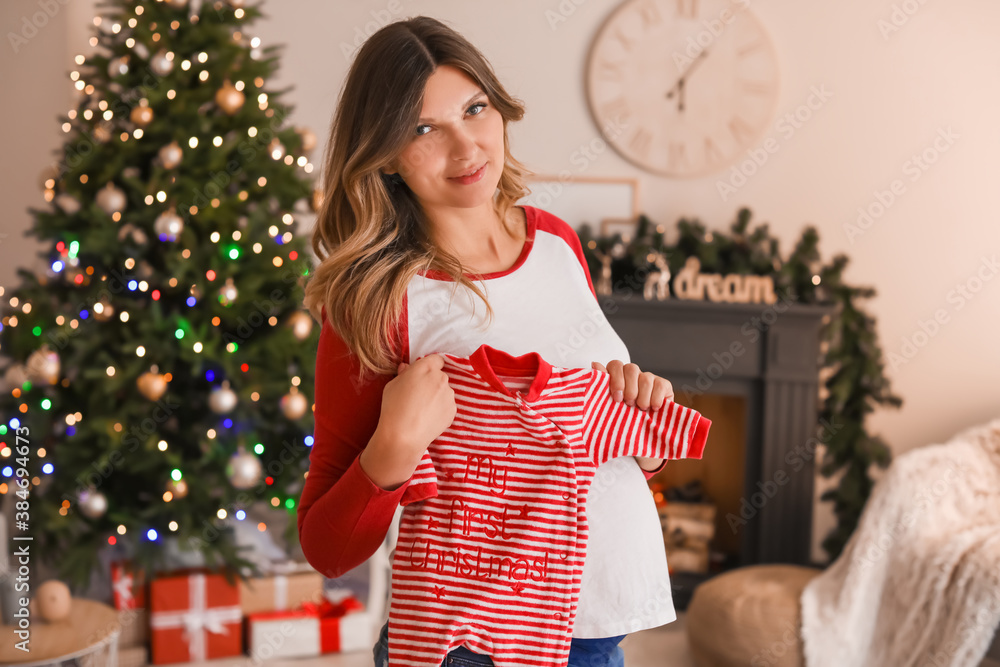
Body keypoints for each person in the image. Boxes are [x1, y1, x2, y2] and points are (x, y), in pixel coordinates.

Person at [297, 15, 679, 667]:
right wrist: (393, 446)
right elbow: (326, 547)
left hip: (600, 628)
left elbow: (568, 434)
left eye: (475, 109)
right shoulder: (379, 297)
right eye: (424, 129)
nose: (467, 146)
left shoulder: (557, 241)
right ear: (384, 153)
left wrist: (642, 444)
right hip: (476, 646)